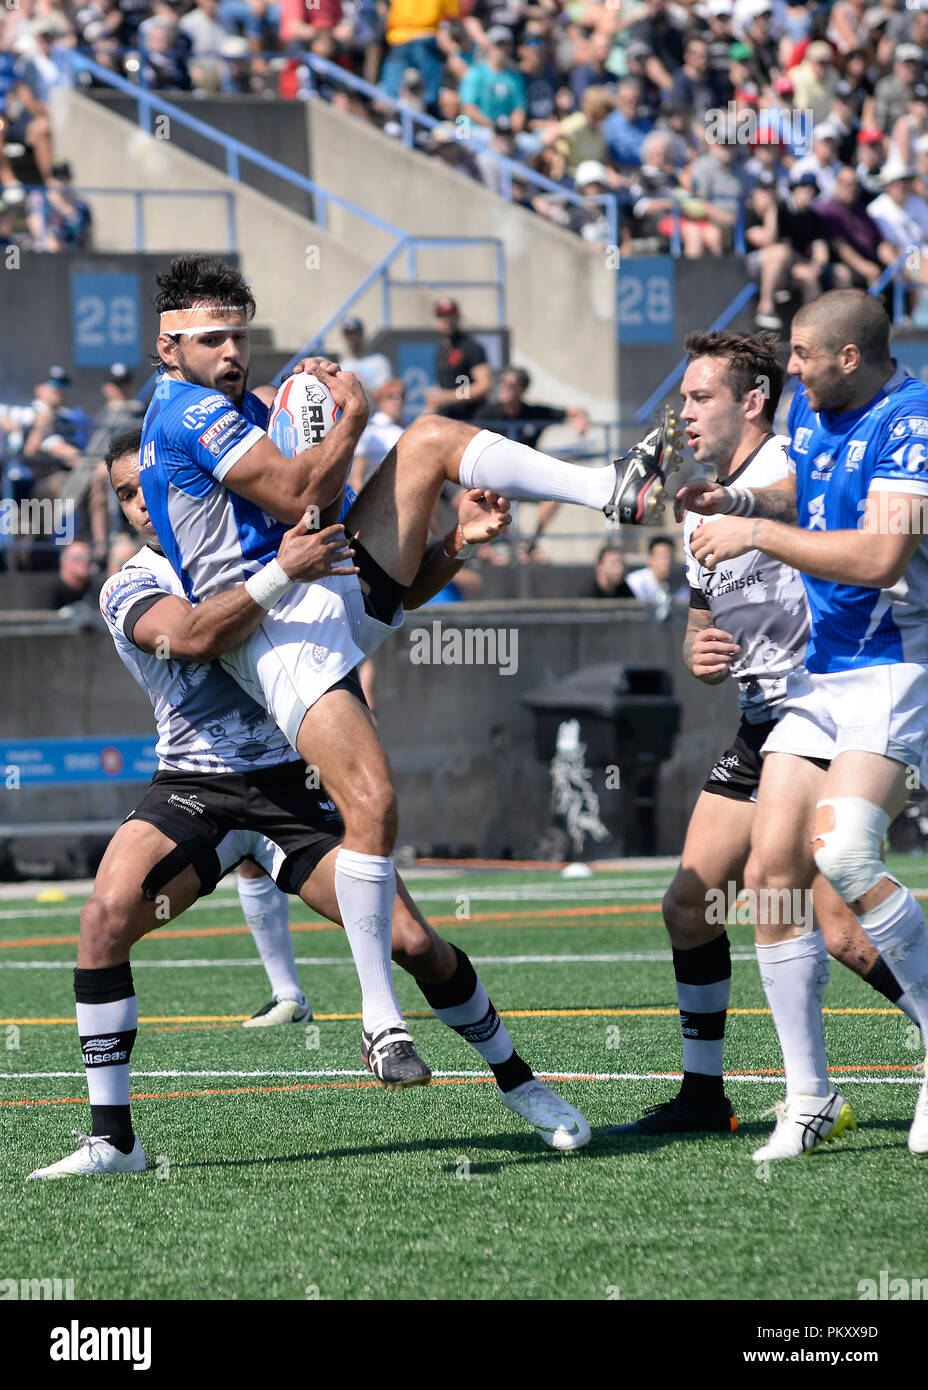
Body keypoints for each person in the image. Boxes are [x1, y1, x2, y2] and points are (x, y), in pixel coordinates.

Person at [137, 256, 656, 1088]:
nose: (231, 352)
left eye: (240, 335)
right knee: (374, 806)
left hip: (326, 584)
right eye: (210, 339)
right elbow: (303, 486)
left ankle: (610, 487)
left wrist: (445, 537)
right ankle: (380, 1021)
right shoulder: (188, 411)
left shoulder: (240, 404)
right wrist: (352, 413)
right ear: (169, 348)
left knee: (431, 441)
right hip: (273, 628)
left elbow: (323, 503)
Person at [27, 429, 588, 1177]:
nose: (141, 504)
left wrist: (455, 543)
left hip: (301, 784)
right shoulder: (130, 582)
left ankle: (522, 1083)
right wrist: (282, 572)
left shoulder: (257, 544)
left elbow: (375, 602)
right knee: (101, 922)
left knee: (417, 945)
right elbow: (193, 637)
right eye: (125, 493)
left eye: (148, 484)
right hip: (196, 788)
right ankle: (113, 1141)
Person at [612, 329, 916, 1138]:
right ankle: (707, 1096)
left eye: (699, 397)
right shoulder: (702, 500)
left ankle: (852, 1070)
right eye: (681, 397)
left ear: (752, 401)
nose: (684, 413)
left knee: (839, 928)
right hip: (761, 723)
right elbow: (702, 616)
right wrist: (696, 649)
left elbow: (862, 555)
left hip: (826, 707)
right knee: (689, 906)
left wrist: (753, 519)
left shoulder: (794, 471)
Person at [425, 296, 492, 419]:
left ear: (458, 317)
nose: (446, 320)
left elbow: (484, 385)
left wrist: (448, 397)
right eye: (442, 316)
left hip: (471, 419)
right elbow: (443, 385)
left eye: (450, 315)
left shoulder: (471, 347)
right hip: (448, 417)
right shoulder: (441, 349)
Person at [350, 377, 405, 492]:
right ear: (380, 400)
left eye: (402, 396)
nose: (398, 401)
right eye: (391, 396)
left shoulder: (401, 429)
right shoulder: (370, 430)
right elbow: (357, 472)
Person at [337, 316, 392, 401]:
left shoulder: (379, 361)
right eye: (349, 335)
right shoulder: (343, 365)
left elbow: (387, 398)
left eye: (355, 334)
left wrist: (360, 385)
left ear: (362, 335)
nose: (352, 339)